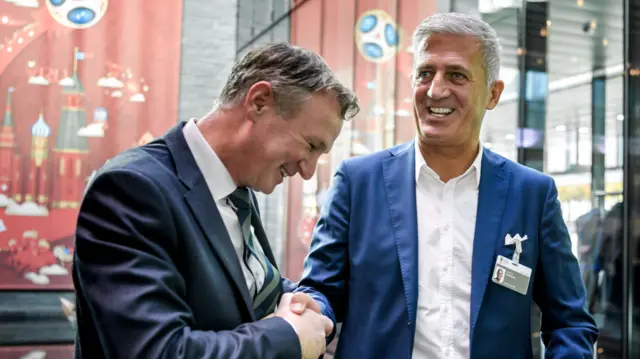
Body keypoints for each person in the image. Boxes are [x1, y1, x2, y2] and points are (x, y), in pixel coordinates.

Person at [296, 13, 598, 358]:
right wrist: (310, 313)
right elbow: (320, 290)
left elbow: (570, 323)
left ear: (493, 94)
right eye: (425, 73)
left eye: (456, 75)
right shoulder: (357, 182)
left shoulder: (531, 194)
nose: (436, 90)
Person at [72, 43, 359, 359]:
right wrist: (288, 337)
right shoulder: (131, 189)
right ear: (259, 102)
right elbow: (158, 351)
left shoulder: (240, 192)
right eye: (310, 145)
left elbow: (241, 288)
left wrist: (301, 301)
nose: (307, 171)